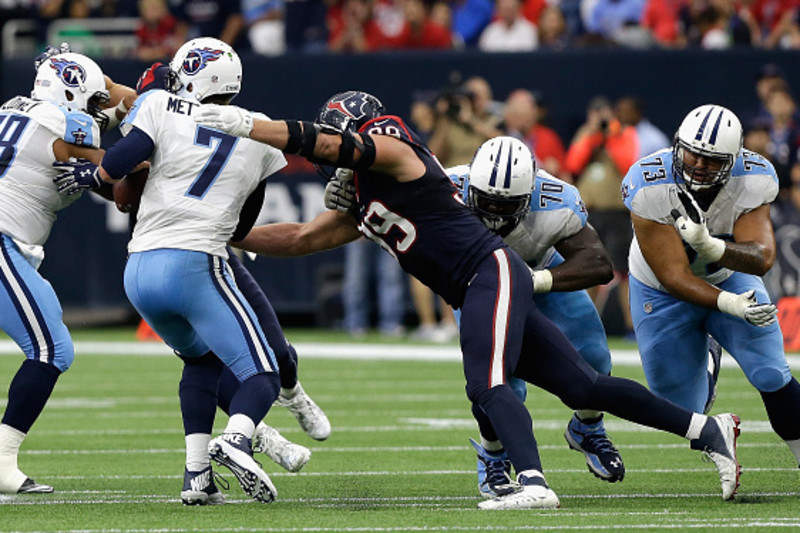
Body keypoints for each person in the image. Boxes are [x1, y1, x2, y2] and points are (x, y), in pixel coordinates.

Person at [193, 90, 743, 508]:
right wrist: (224, 235)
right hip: (484, 280)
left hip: (490, 272)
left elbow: (344, 146)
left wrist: (250, 125)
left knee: (486, 384)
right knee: (584, 386)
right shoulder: (365, 196)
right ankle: (706, 430)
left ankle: (532, 481)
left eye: (338, 148)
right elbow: (301, 238)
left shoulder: (398, 150)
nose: (334, 163)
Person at [52, 37, 285, 505]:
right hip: (196, 262)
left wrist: (92, 176)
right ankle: (237, 441)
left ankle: (197, 475)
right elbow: (242, 224)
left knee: (200, 362)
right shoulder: (260, 134)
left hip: (139, 269)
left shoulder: (158, 102)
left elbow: (122, 158)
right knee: (264, 374)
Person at [622, 104, 800, 474]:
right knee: (679, 404)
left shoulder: (753, 176)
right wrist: (729, 305)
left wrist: (713, 247)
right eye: (693, 153)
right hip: (659, 289)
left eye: (712, 159)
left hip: (728, 275)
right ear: (677, 146)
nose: (699, 164)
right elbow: (673, 275)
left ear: (733, 161)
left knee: (771, 372)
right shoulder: (647, 182)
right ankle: (710, 357)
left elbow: (762, 257)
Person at [444, 136, 624, 495]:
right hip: (478, 283)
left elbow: (599, 264)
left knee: (593, 357)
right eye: (487, 201)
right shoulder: (444, 188)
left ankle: (587, 428)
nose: (495, 213)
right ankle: (494, 456)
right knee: (497, 380)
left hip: (538, 270)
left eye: (505, 205)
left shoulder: (556, 200)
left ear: (530, 194)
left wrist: (535, 281)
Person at [0, 50, 119, 494]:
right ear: (69, 91)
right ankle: (2, 460)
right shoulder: (65, 124)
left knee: (54, 346)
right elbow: (127, 167)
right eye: (91, 102)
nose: (95, 114)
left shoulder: (11, 109)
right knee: (50, 349)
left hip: (12, 243)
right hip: (3, 240)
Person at [566, 96, 639, 337]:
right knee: (588, 269)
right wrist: (591, 135)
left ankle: (631, 328)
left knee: (625, 272)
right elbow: (573, 164)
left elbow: (627, 163)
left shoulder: (626, 134)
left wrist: (612, 136)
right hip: (591, 213)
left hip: (617, 213)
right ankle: (585, 326)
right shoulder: (586, 135)